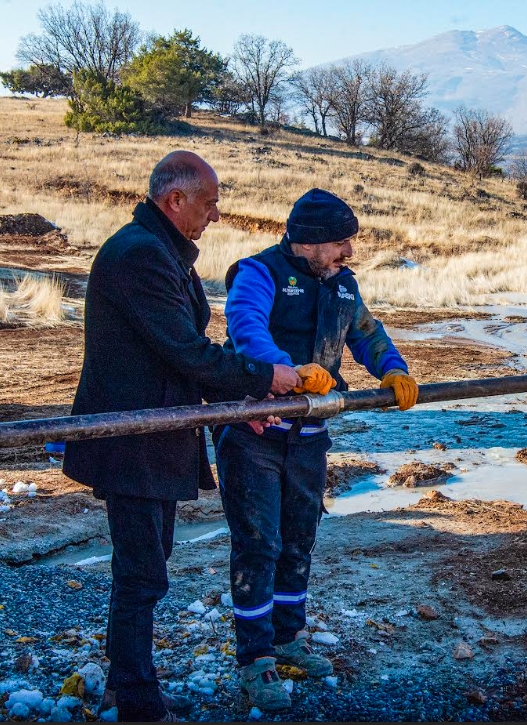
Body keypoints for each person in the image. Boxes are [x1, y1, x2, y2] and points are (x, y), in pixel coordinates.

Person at [63, 151, 302, 722]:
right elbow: (186, 351)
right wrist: (264, 378)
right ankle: (136, 697)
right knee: (142, 572)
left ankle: (129, 686)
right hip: (135, 439)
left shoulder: (157, 249)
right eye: (210, 202)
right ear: (176, 201)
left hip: (155, 433)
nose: (216, 214)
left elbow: (176, 359)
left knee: (146, 566)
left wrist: (236, 406)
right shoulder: (142, 256)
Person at [216, 188, 418, 711]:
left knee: (299, 540)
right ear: (309, 242)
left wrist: (392, 367)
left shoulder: (343, 286)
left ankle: (288, 641)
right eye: (341, 242)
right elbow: (246, 332)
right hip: (254, 437)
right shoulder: (257, 274)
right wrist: (288, 373)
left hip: (309, 439)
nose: (349, 251)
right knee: (258, 545)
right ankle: (255, 660)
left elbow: (369, 335)